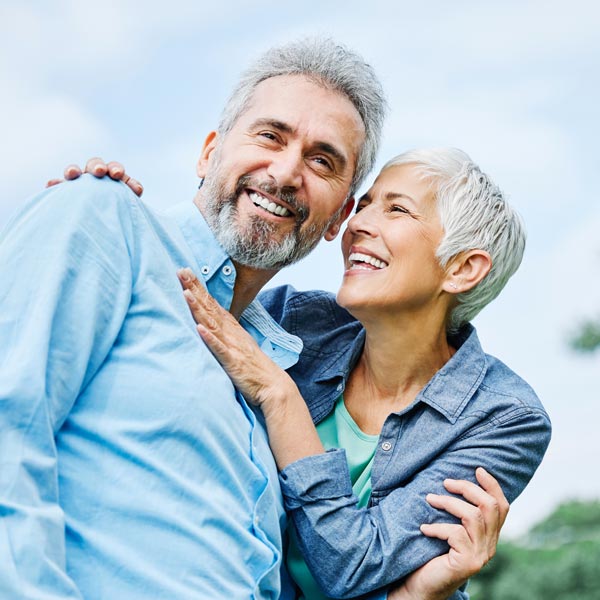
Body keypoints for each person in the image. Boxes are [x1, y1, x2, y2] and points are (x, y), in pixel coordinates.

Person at [0, 38, 503, 600]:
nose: (287, 172)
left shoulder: (287, 371)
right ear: (208, 152)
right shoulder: (105, 219)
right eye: (270, 135)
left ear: (339, 217)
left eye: (322, 160)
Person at [175, 148, 552, 599]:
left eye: (396, 209)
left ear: (462, 268)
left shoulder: (504, 418)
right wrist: (102, 213)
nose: (357, 225)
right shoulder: (295, 320)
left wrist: (281, 396)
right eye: (365, 203)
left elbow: (353, 568)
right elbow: (174, 304)